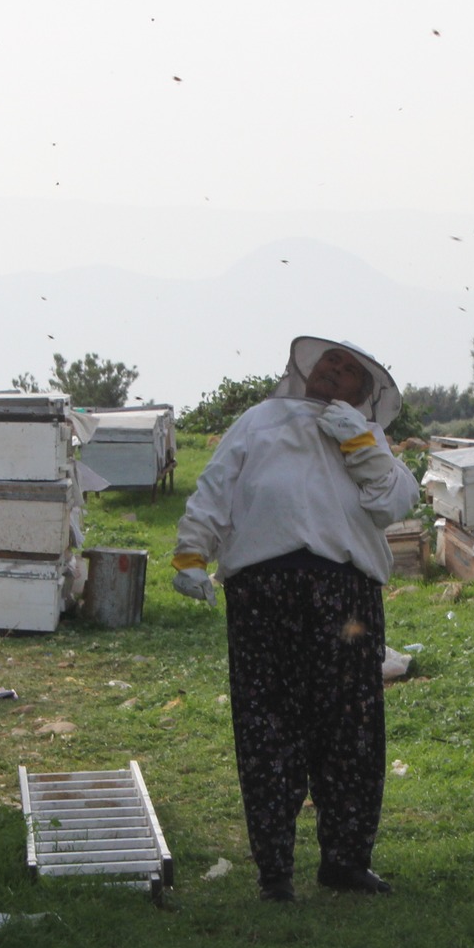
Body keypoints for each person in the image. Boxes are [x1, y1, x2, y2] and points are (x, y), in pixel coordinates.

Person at [171, 338, 420, 901]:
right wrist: (192, 553)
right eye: (328, 361)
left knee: (350, 725)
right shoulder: (259, 421)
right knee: (266, 724)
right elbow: (216, 485)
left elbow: (392, 502)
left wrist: (358, 442)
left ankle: (346, 862)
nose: (334, 370)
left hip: (346, 595)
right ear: (306, 371)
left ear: (365, 392)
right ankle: (275, 872)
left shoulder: (368, 436)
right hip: (264, 589)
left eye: (348, 369)